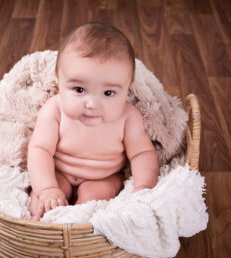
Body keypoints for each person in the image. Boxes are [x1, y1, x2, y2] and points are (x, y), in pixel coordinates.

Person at [27, 22, 159, 221]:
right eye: (79, 90)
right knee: (44, 199)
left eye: (108, 93)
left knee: (92, 195)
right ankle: (41, 225)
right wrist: (47, 189)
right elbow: (39, 150)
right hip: (59, 173)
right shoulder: (54, 110)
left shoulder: (128, 117)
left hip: (103, 178)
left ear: (128, 87)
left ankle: (76, 227)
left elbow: (142, 153)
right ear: (58, 79)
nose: (92, 104)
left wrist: (142, 189)